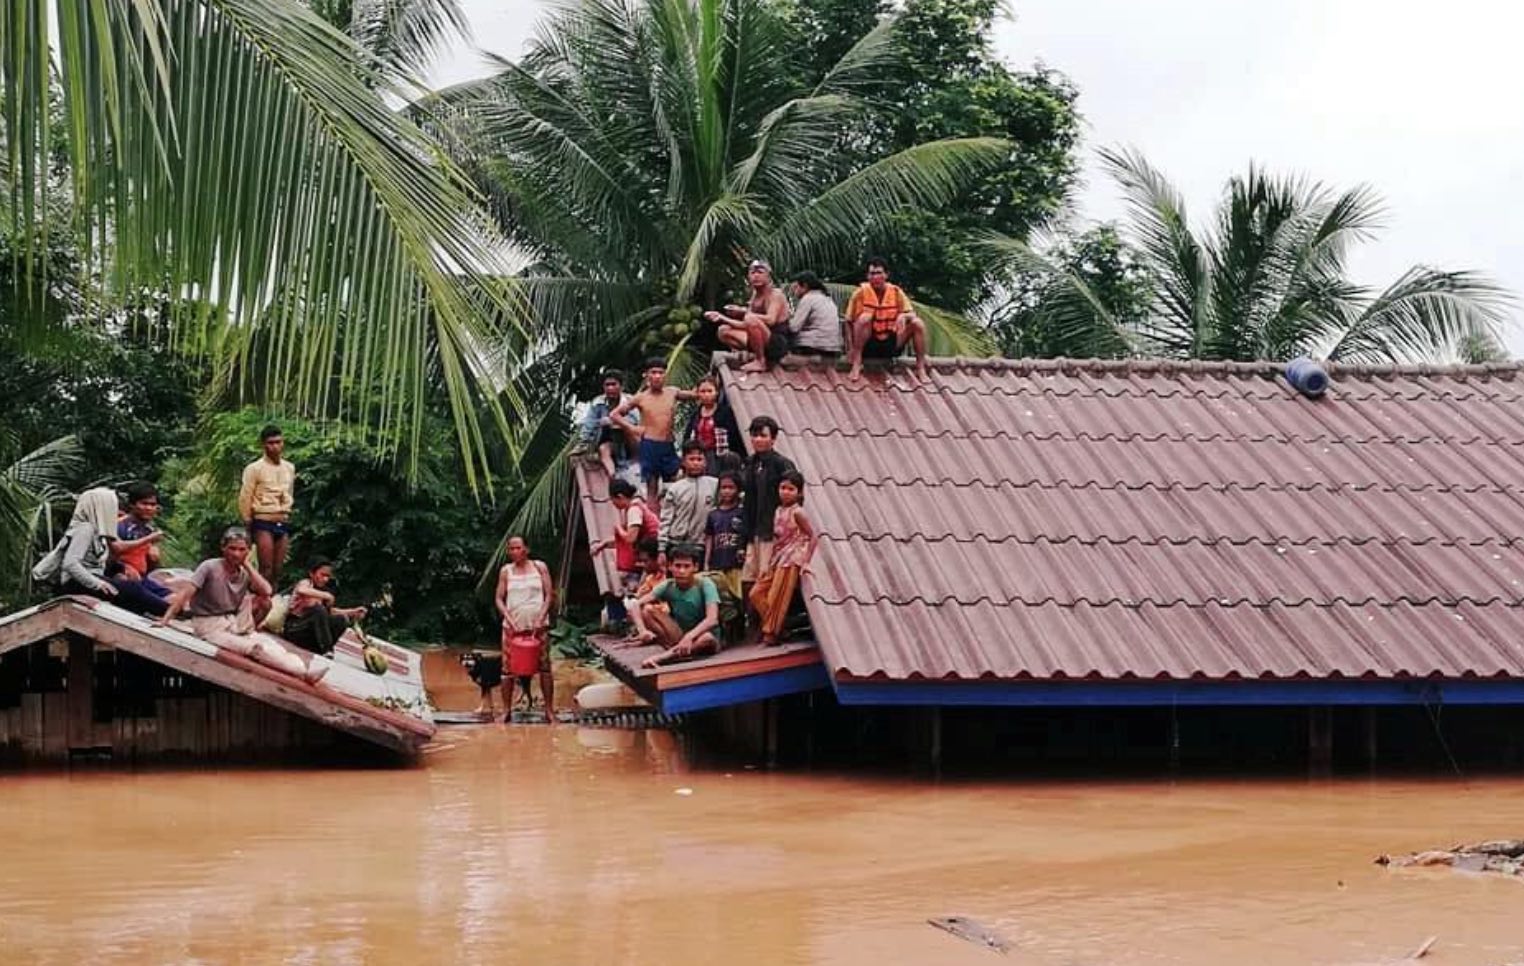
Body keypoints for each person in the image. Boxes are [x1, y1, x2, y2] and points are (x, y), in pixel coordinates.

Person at [159, 527, 328, 683]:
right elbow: (185, 594)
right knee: (255, 648)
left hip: (233, 622)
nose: (236, 554)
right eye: (232, 548)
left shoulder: (244, 573)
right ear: (223, 548)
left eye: (241, 550)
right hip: (209, 625)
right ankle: (302, 674)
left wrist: (246, 565)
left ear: (248, 551)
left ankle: (304, 669)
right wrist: (166, 620)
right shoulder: (209, 567)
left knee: (272, 645)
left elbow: (266, 590)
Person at [34, 487, 168, 617]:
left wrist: (120, 569)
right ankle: (170, 610)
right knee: (131, 590)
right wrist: (97, 583)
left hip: (91, 579)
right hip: (77, 583)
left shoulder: (97, 531)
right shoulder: (85, 528)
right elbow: (70, 564)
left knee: (129, 592)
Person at [610, 358, 696, 505]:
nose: (657, 376)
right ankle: (653, 521)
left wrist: (706, 387)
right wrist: (631, 428)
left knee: (677, 481)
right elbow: (614, 415)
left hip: (668, 445)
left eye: (661, 373)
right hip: (649, 445)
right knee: (652, 486)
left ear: (665, 375)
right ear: (647, 375)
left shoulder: (673, 392)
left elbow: (695, 394)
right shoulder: (641, 398)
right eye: (654, 373)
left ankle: (671, 512)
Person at [749, 470, 818, 646]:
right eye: (783, 488)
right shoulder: (778, 510)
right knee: (756, 593)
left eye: (791, 489)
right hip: (779, 556)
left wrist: (806, 561)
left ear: (799, 493)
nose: (786, 492)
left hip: (793, 556)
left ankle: (771, 632)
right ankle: (777, 628)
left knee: (777, 596)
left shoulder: (798, 512)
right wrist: (769, 562)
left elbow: (813, 536)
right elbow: (777, 539)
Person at [627, 544, 722, 669]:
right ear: (670, 566)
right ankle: (677, 651)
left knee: (707, 638)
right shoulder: (668, 585)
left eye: (686, 566)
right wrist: (642, 631)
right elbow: (634, 604)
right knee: (647, 611)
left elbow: (712, 619)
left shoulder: (705, 584)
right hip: (679, 636)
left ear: (695, 567)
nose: (682, 571)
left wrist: (690, 637)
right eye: (677, 566)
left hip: (703, 638)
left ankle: (664, 657)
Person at [494, 535, 556, 722]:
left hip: (538, 627)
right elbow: (498, 598)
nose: (514, 552)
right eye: (511, 549)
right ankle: (506, 710)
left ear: (526, 549)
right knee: (507, 670)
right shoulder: (506, 571)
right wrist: (508, 618)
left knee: (544, 667)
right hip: (512, 629)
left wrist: (541, 616)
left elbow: (549, 595)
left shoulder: (540, 567)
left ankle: (549, 710)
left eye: (518, 548)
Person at [845, 256, 930, 382]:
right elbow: (848, 321)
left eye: (878, 273)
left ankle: (921, 368)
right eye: (872, 274)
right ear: (867, 276)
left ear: (886, 275)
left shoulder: (896, 292)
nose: (875, 277)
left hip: (891, 342)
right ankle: (857, 364)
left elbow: (912, 314)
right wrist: (850, 348)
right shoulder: (860, 293)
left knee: (917, 323)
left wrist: (903, 315)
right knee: (864, 318)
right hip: (868, 345)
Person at [739, 415, 795, 591]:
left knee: (765, 581)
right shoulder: (750, 463)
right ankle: (751, 618)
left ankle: (769, 619)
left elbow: (795, 499)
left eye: (763, 435)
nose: (757, 440)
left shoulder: (782, 464)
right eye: (754, 435)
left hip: (772, 532)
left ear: (773, 439)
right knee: (748, 579)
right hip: (752, 531)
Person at [704, 259, 789, 373]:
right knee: (723, 331)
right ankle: (755, 354)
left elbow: (770, 320)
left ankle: (760, 360)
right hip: (760, 339)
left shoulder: (775, 294)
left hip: (776, 342)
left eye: (760, 272)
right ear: (748, 276)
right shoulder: (755, 296)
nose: (756, 276)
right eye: (753, 273)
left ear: (768, 276)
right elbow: (746, 324)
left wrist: (746, 313)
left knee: (750, 319)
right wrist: (721, 318)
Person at [239, 424, 295, 587]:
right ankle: (256, 599)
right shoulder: (254, 468)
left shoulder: (289, 467)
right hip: (263, 519)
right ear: (264, 444)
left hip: (282, 518)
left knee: (278, 569)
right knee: (266, 568)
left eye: (278, 442)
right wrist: (247, 521)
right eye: (271, 443)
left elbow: (289, 492)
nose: (275, 446)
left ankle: (272, 602)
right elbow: (246, 495)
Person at [590, 478, 660, 599]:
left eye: (613, 501)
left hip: (654, 552)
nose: (614, 504)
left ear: (620, 497)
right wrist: (603, 544)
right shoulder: (635, 506)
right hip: (648, 551)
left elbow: (630, 538)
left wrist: (618, 529)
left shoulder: (634, 510)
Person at [283, 557, 367, 654]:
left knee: (341, 619)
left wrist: (352, 611)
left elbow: (330, 612)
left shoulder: (323, 590)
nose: (325, 579)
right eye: (322, 575)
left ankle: (320, 647)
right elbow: (301, 590)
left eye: (328, 576)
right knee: (318, 610)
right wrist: (326, 596)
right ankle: (327, 648)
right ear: (312, 573)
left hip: (310, 635)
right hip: (295, 628)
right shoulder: (306, 583)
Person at [658, 442, 717, 570]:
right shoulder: (676, 488)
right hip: (675, 544)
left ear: (705, 462)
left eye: (699, 459)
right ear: (683, 462)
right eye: (691, 459)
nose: (696, 463)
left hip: (700, 545)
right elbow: (665, 519)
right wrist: (661, 548)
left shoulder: (714, 485)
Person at [578, 369, 642, 480]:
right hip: (610, 440)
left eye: (613, 384)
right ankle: (613, 476)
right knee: (603, 449)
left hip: (631, 440)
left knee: (619, 426)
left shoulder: (630, 401)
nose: (610, 388)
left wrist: (614, 421)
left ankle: (636, 461)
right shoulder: (598, 403)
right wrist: (583, 441)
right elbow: (589, 423)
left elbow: (635, 422)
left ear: (621, 387)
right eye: (607, 385)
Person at [678, 374, 742, 476]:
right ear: (698, 393)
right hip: (700, 456)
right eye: (703, 391)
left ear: (716, 392)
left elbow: (735, 437)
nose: (706, 395)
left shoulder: (724, 413)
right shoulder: (696, 415)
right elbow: (688, 437)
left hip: (720, 456)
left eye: (709, 391)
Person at [787, 271, 842, 358]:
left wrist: (786, 318)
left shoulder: (808, 298)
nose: (794, 291)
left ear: (804, 286)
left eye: (796, 287)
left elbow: (794, 327)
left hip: (814, 344)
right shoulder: (826, 298)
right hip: (833, 346)